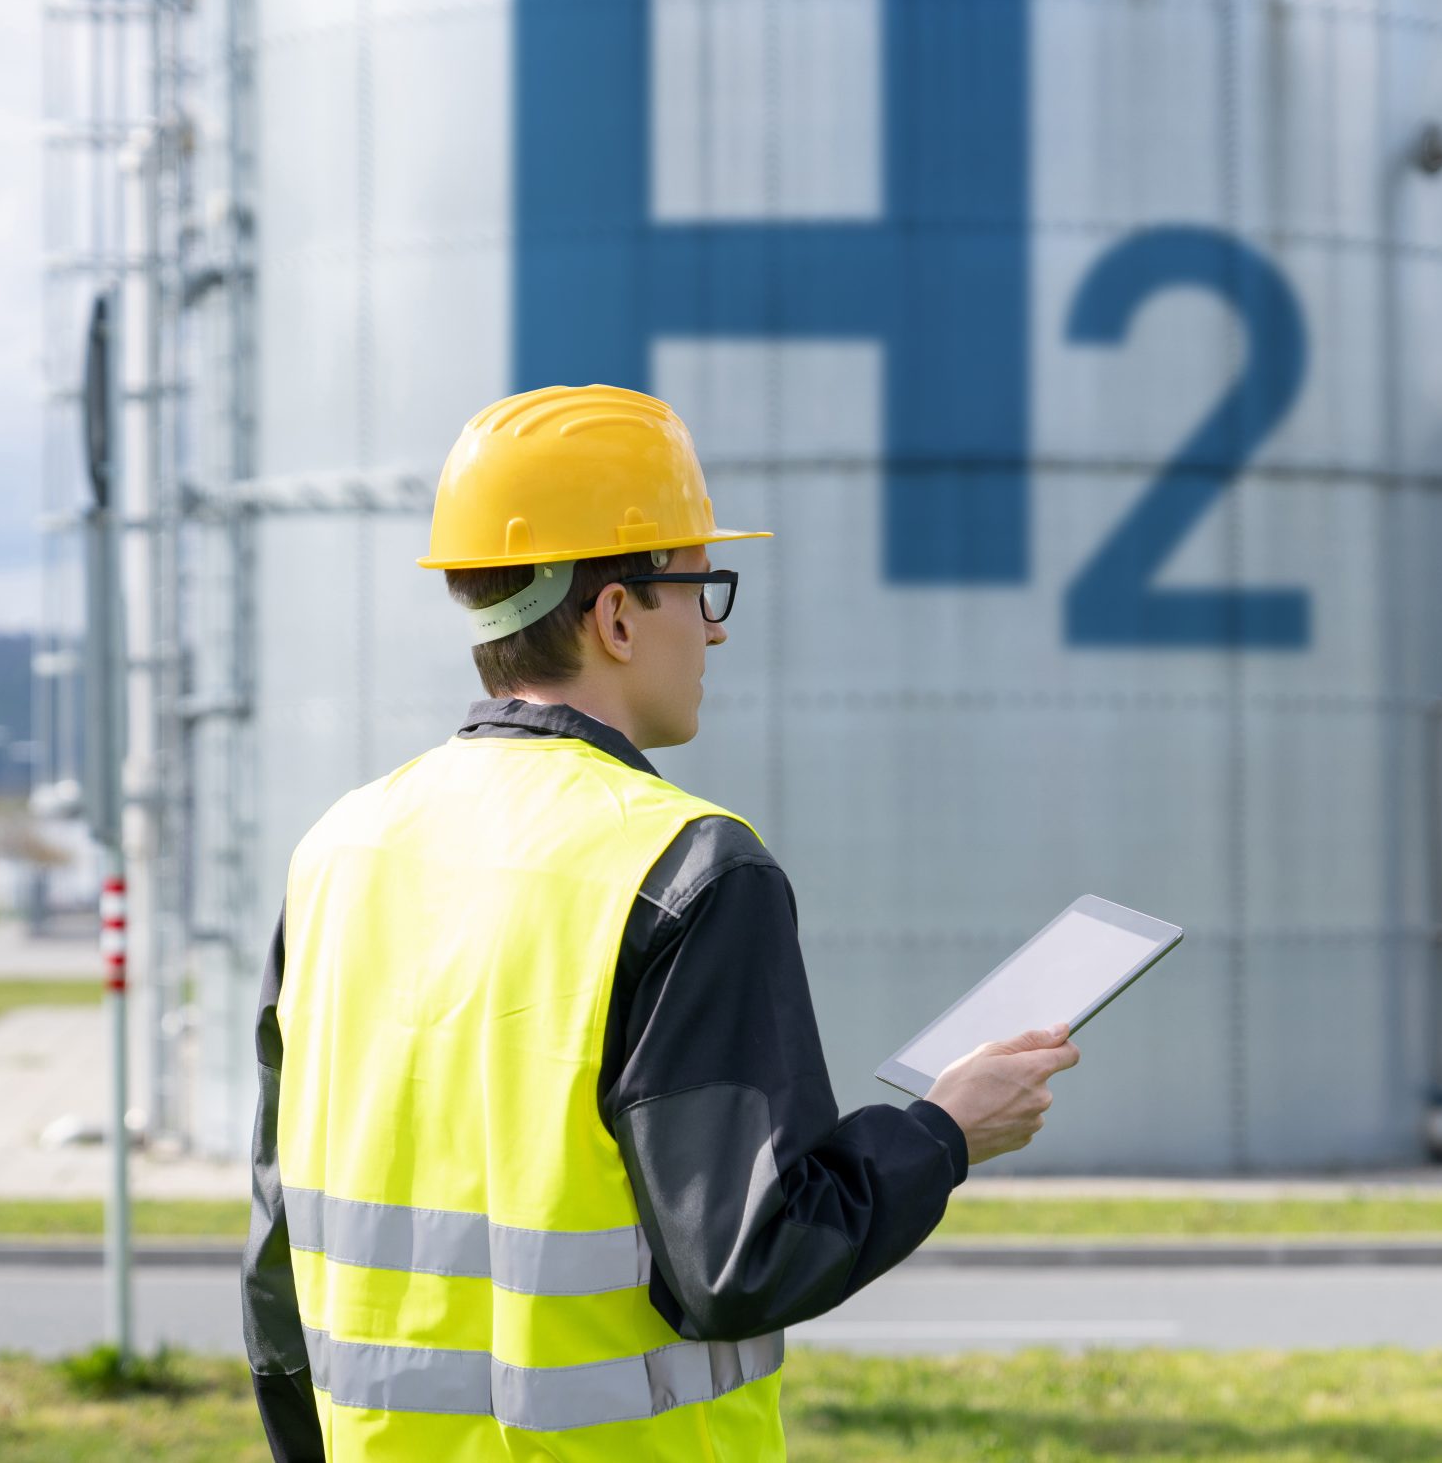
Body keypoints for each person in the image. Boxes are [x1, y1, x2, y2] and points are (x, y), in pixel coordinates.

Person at [241, 384, 1081, 1460]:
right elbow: (748, 1258)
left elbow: (278, 1251)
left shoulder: (340, 848)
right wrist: (944, 1133)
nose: (716, 630)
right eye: (701, 587)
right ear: (617, 616)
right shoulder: (685, 869)